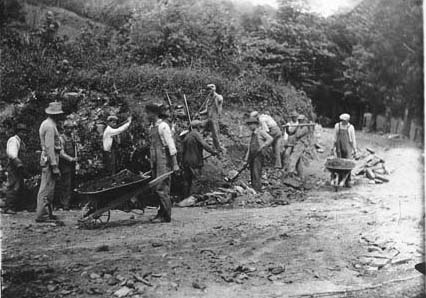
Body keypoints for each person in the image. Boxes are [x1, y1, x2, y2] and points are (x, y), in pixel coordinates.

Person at [146, 103, 179, 223]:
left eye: (148, 113)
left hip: (164, 160)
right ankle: (161, 212)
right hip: (155, 160)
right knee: (157, 187)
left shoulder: (163, 126)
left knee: (162, 187)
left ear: (154, 114)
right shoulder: (152, 127)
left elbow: (171, 145)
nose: (147, 115)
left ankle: (166, 216)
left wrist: (175, 164)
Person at [35, 102, 64, 223]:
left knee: (50, 187)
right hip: (50, 159)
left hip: (50, 157)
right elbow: (49, 147)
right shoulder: (50, 126)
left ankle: (48, 212)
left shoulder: (49, 124)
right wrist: (54, 165)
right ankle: (42, 214)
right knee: (46, 187)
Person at [181, 120, 218, 198]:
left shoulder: (187, 136)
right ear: (198, 127)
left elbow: (182, 151)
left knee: (187, 180)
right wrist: (213, 151)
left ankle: (185, 198)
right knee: (196, 180)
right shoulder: (196, 134)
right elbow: (204, 144)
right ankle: (193, 197)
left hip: (186, 161)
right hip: (194, 162)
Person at [4, 124, 29, 214]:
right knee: (13, 185)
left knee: (20, 186)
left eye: (25, 132)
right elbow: (12, 154)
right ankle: (8, 207)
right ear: (17, 132)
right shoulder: (13, 140)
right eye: (22, 132)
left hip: (19, 166)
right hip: (14, 166)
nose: (24, 134)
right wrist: (19, 164)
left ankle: (17, 206)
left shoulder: (21, 142)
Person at [245, 117, 273, 192]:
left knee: (256, 171)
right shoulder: (253, 134)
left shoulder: (261, 132)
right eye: (249, 125)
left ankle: (258, 189)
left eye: (251, 124)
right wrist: (246, 158)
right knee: (252, 172)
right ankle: (254, 188)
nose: (250, 126)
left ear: (256, 125)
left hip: (259, 155)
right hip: (252, 155)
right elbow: (249, 147)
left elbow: (270, 139)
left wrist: (263, 146)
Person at [57, 120, 77, 210]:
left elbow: (75, 149)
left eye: (71, 128)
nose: (70, 130)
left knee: (72, 183)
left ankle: (69, 202)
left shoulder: (72, 138)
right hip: (65, 164)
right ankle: (64, 204)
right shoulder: (61, 139)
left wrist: (76, 160)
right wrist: (71, 159)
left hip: (72, 164)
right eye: (68, 128)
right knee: (66, 184)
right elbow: (61, 153)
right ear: (64, 128)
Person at [332, 113, 357, 187]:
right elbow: (335, 137)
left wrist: (354, 149)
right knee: (339, 163)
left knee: (348, 164)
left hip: (348, 146)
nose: (344, 122)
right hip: (339, 147)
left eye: (345, 121)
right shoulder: (337, 126)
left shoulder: (350, 127)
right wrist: (333, 147)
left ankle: (347, 180)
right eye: (343, 120)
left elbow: (353, 139)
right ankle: (339, 179)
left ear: (348, 120)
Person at [200, 84, 223, 152]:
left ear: (213, 89)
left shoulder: (218, 97)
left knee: (215, 134)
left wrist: (214, 93)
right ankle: (200, 144)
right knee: (200, 128)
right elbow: (206, 110)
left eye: (210, 89)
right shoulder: (208, 99)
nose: (209, 91)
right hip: (208, 118)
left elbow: (220, 100)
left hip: (214, 119)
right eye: (208, 89)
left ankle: (218, 149)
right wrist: (200, 113)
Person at [287, 115, 311, 180]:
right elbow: (291, 132)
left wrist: (298, 127)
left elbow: (297, 135)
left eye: (301, 120)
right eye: (299, 120)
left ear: (304, 120)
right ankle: (301, 175)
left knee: (293, 158)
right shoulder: (298, 126)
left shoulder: (305, 128)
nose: (300, 121)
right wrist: (287, 128)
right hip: (297, 144)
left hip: (301, 144)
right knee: (298, 161)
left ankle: (290, 172)